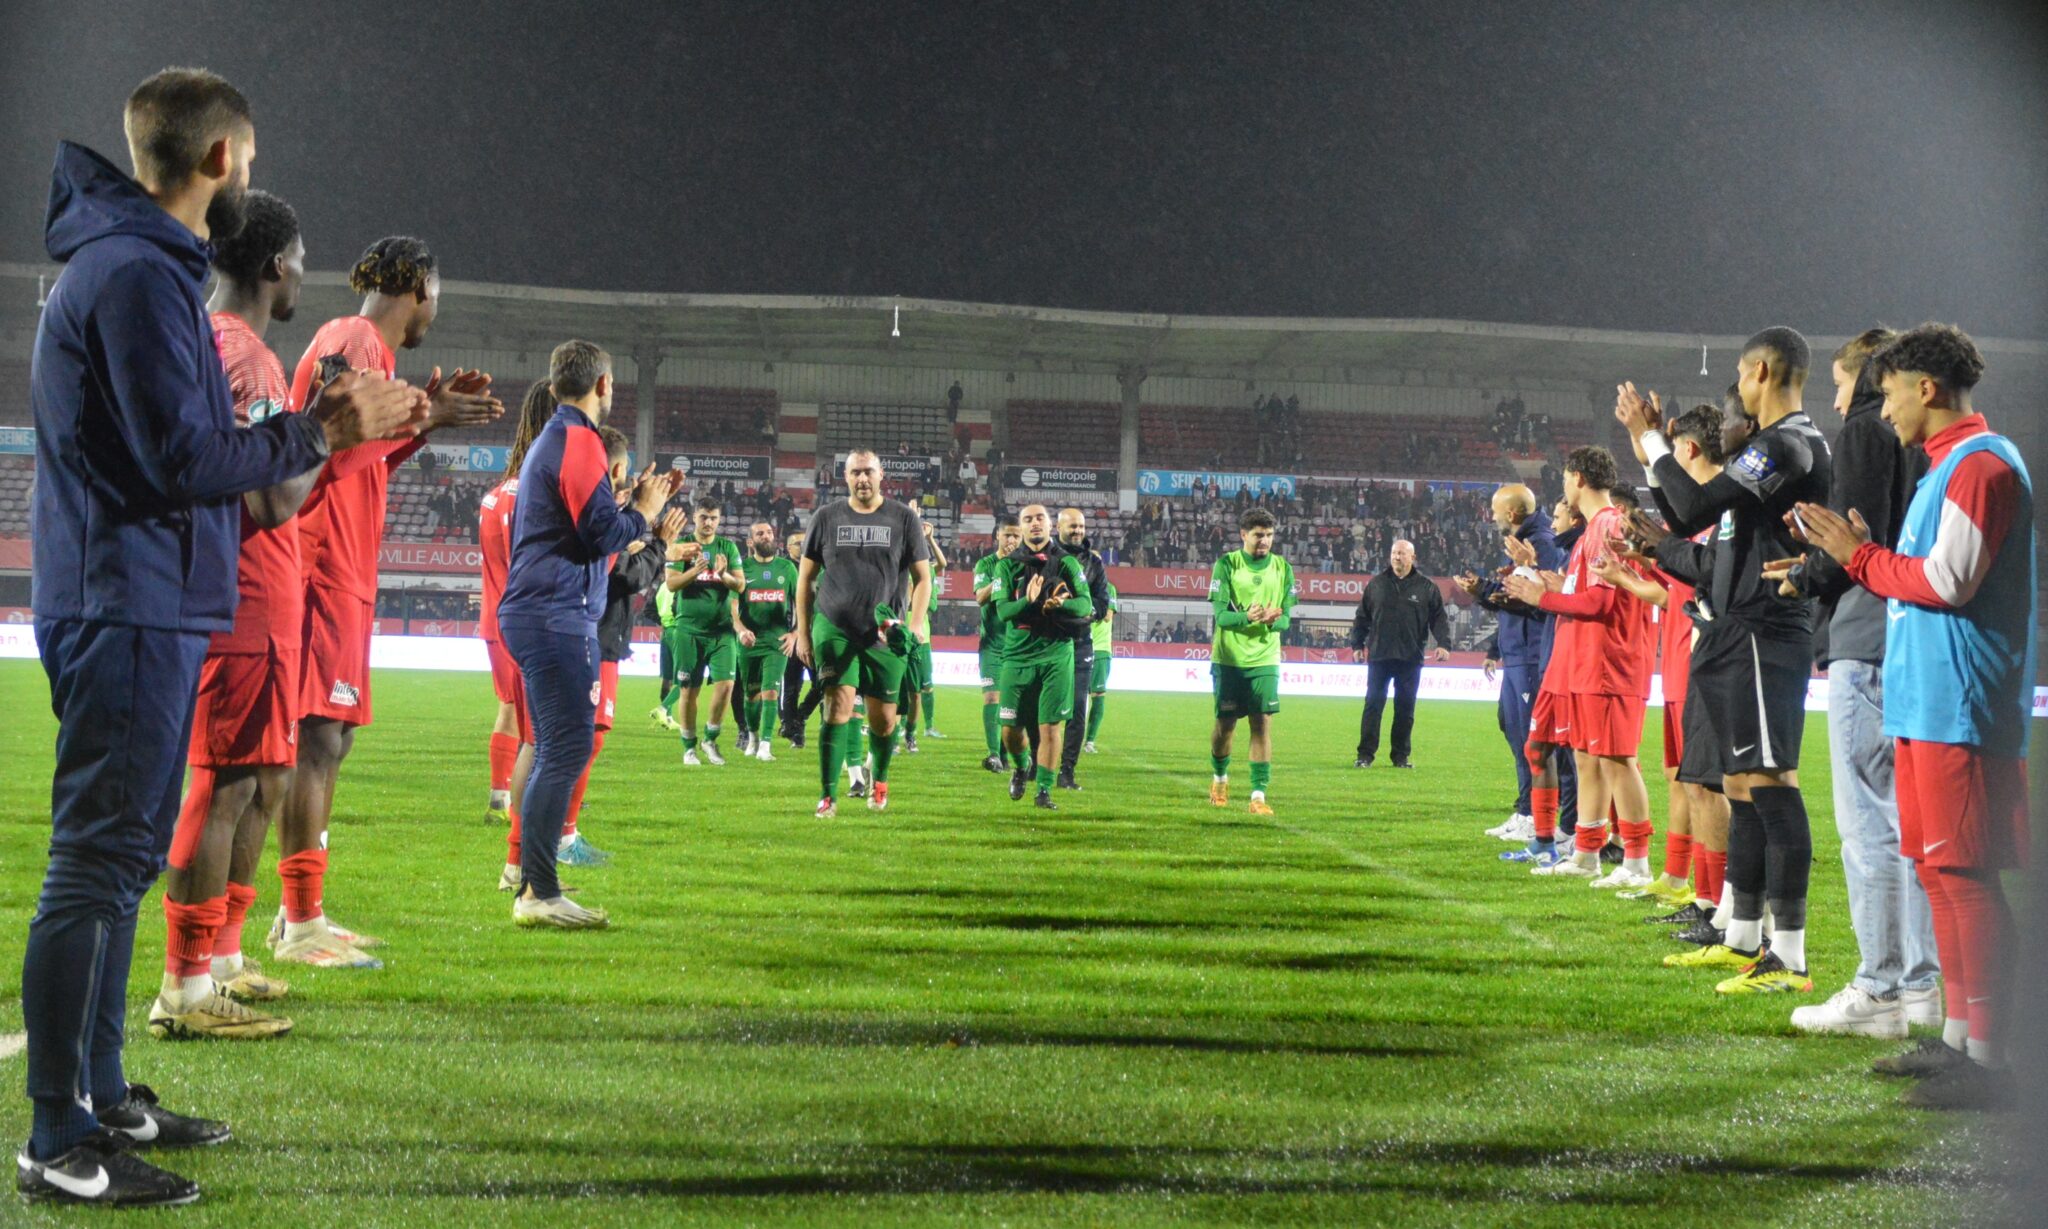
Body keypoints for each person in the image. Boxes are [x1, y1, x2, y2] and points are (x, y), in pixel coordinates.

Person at [21, 67, 421, 1207]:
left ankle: (99, 1092)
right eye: (248, 156)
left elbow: (195, 456)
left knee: (125, 858)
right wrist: (320, 423)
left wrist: (326, 433)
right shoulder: (139, 277)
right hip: (127, 599)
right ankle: (57, 1136)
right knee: (96, 862)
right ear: (217, 162)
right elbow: (185, 461)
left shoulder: (140, 269)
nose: (250, 173)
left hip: (143, 594)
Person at [1792, 323, 2033, 1110]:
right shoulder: (1943, 469)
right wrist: (1864, 550)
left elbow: (1949, 578)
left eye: (1888, 390)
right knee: (1937, 871)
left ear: (1925, 388)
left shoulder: (1982, 465)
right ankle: (1961, 1040)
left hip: (1963, 707)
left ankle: (1992, 1058)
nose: (1881, 406)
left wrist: (1859, 557)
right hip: (1929, 703)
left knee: (1965, 877)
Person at [274, 233, 503, 969]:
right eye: (439, 295)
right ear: (422, 288)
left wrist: (422, 422)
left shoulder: (373, 350)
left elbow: (357, 448)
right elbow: (322, 444)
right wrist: (422, 418)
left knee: (331, 737)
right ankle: (298, 920)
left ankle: (299, 912)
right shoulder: (352, 339)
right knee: (315, 737)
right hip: (319, 560)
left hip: (344, 562)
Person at [1619, 326, 1832, 994]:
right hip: (1739, 629)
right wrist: (1660, 542)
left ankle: (1789, 955)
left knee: (1772, 782)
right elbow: (1699, 530)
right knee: (1741, 785)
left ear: (1762, 370)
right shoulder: (1767, 453)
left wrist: (1649, 441)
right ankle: (1741, 932)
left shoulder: (1789, 444)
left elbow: (1695, 506)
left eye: (1741, 376)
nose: (1737, 390)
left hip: (1768, 630)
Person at [148, 189, 313, 1044]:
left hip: (257, 603)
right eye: (301, 259)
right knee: (222, 785)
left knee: (260, 781)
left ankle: (217, 958)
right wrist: (332, 433)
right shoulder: (246, 357)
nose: (303, 275)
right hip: (244, 602)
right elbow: (276, 496)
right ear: (274, 264)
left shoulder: (222, 344)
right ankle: (184, 980)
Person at [1764, 330, 1941, 1039]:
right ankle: (1922, 984)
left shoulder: (1866, 428)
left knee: (1869, 822)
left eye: (1842, 383)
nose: (1838, 399)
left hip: (1867, 639)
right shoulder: (1929, 441)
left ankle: (1880, 986)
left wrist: (1809, 570)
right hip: (1909, 636)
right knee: (1910, 823)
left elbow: (1860, 544)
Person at [498, 339, 677, 929]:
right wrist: (645, 511)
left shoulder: (556, 438)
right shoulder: (579, 440)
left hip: (542, 610)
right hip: (555, 613)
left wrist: (633, 508)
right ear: (604, 385)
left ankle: (535, 882)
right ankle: (538, 891)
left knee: (555, 748)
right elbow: (602, 534)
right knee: (566, 749)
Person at [1593, 408, 1732, 913]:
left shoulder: (1717, 515)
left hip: (1701, 657)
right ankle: (1680, 878)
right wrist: (1633, 570)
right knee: (1681, 775)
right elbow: (1669, 590)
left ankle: (1711, 898)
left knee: (1707, 784)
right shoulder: (1697, 522)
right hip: (1678, 661)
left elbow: (1704, 579)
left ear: (1689, 449)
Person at [1503, 446, 1657, 887]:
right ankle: (1587, 852)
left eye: (1566, 479)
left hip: (1609, 663)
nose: (1563, 488)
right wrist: (1556, 584)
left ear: (1577, 478)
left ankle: (1637, 863)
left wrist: (1543, 598)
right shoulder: (1594, 529)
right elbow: (1586, 591)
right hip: (1587, 663)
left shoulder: (1607, 525)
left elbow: (1603, 600)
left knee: (1617, 761)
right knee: (1589, 758)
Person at [553, 428, 681, 868]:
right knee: (584, 740)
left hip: (595, 634)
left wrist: (640, 517)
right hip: (596, 636)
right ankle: (559, 839)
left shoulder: (602, 508)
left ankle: (558, 836)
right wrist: (658, 542)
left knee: (580, 740)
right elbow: (626, 575)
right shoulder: (600, 514)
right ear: (618, 469)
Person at [796, 449, 933, 816]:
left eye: (868, 472)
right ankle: (828, 795)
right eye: (855, 472)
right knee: (837, 708)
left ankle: (881, 780)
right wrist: (804, 632)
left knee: (884, 719)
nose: (862, 479)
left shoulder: (903, 518)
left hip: (885, 632)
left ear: (881, 474)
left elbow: (924, 579)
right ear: (845, 477)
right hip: (834, 626)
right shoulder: (825, 517)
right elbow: (805, 579)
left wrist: (916, 626)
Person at [1458, 483, 1562, 840]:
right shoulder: (1524, 544)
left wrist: (1486, 593)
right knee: (1515, 732)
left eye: (1495, 508)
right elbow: (1513, 596)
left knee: (1533, 740)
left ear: (1513, 514)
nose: (1491, 514)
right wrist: (1484, 592)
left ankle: (1539, 815)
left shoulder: (1541, 545)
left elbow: (1538, 598)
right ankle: (1526, 810)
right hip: (1518, 655)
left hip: (1533, 656)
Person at [483, 382, 555, 827]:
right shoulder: (533, 493)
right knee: (538, 732)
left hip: (495, 619)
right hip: (525, 622)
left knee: (511, 709)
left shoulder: (498, 492)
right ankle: (528, 826)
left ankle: (498, 797)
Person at [991, 504, 1094, 810]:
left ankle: (1044, 791)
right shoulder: (1006, 566)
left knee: (1051, 726)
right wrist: (1029, 601)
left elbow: (1085, 605)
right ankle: (1022, 767)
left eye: (1040, 518)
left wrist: (1058, 605)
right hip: (1017, 655)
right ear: (1020, 528)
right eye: (1028, 519)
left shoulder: (1067, 564)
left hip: (1056, 653)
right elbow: (1003, 611)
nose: (1034, 523)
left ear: (1050, 525)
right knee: (1010, 729)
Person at [1209, 507, 1296, 814]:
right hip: (1230, 659)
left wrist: (1274, 621)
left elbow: (1286, 619)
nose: (1265, 541)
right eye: (1259, 535)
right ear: (1243, 535)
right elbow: (1221, 616)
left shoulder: (1283, 568)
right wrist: (1247, 616)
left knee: (1262, 723)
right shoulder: (1226, 565)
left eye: (1269, 535)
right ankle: (1220, 777)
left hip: (1265, 658)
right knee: (1226, 725)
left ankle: (1258, 796)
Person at [1348, 539, 1452, 768]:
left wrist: (1444, 643)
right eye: (1394, 553)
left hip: (1410, 659)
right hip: (1379, 657)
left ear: (1412, 558)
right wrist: (1356, 645)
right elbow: (1361, 618)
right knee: (1373, 707)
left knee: (1405, 709)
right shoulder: (1376, 584)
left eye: (1402, 554)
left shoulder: (1427, 587)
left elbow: (1439, 619)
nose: (1397, 557)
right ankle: (1365, 755)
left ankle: (1400, 757)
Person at [660, 496, 744, 764]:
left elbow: (740, 586)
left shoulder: (728, 548)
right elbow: (672, 584)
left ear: (719, 520)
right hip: (689, 630)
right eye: (704, 517)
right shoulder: (681, 547)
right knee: (688, 690)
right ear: (695, 517)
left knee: (726, 685)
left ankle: (709, 739)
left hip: (722, 631)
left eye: (714, 518)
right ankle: (688, 747)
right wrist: (695, 571)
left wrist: (723, 575)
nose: (709, 522)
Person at [1052, 508, 1111, 789]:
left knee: (1077, 709)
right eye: (1072, 526)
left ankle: (1067, 771)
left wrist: (1083, 614)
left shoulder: (1094, 563)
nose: (1077, 531)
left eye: (1081, 526)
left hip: (1080, 643)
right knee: (1043, 709)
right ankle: (1037, 765)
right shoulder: (1047, 557)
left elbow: (1102, 602)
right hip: (1047, 643)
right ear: (1058, 526)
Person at [734, 520, 800, 762]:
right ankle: (752, 737)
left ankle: (765, 745)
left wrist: (795, 633)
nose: (766, 536)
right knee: (751, 695)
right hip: (749, 641)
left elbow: (803, 604)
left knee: (771, 691)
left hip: (777, 640)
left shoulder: (787, 569)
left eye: (770, 532)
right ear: (751, 541)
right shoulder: (742, 569)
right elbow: (731, 606)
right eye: (760, 533)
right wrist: (740, 630)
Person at [973, 518, 1024, 771]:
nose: (1012, 541)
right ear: (997, 536)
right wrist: (1001, 578)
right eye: (1007, 536)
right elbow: (981, 598)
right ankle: (993, 754)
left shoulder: (1027, 566)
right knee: (992, 696)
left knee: (1011, 704)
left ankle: (1005, 754)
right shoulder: (987, 564)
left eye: (1016, 536)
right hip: (992, 645)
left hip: (1018, 645)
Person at [894, 513, 948, 752]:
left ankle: (911, 734)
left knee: (916, 692)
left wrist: (930, 539)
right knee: (894, 691)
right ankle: (893, 736)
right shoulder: (895, 570)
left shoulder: (924, 575)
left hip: (920, 640)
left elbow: (942, 564)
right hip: (894, 640)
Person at [776, 531, 812, 746]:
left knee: (821, 684)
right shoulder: (783, 569)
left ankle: (798, 718)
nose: (803, 546)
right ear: (788, 547)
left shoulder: (817, 564)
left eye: (805, 542)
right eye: (798, 543)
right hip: (791, 636)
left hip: (815, 635)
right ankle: (793, 730)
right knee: (790, 686)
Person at [1082, 581, 1118, 753]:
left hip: (1100, 649)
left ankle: (1090, 741)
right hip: (1080, 647)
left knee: (1098, 694)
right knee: (1076, 697)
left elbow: (1107, 615)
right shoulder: (1077, 584)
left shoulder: (1108, 588)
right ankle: (1072, 739)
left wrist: (1085, 608)